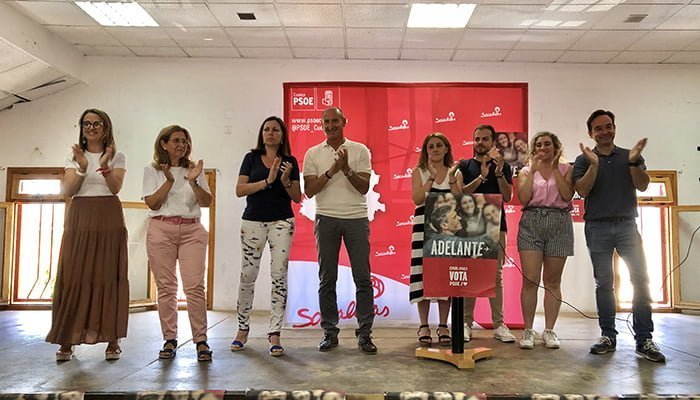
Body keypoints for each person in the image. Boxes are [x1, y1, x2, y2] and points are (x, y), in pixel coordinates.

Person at [573, 109, 665, 363]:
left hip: (627, 226)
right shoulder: (583, 160)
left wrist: (634, 162)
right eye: (598, 128)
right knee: (604, 283)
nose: (605, 132)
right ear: (590, 133)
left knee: (641, 280)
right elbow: (582, 190)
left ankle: (644, 339)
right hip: (597, 226)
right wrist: (594, 164)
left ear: (615, 128)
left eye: (608, 126)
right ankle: (608, 336)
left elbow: (642, 185)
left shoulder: (629, 156)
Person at [46, 109, 128, 362]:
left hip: (108, 215)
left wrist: (104, 166)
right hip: (81, 215)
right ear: (81, 128)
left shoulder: (117, 156)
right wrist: (82, 168)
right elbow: (68, 190)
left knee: (107, 274)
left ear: (105, 127)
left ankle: (112, 338)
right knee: (75, 274)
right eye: (86, 124)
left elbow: (115, 188)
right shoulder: (73, 156)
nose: (91, 128)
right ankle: (67, 339)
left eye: (96, 123)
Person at [303, 107, 377, 354]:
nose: (330, 125)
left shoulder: (360, 150)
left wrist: (345, 168)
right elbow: (309, 190)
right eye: (326, 122)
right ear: (322, 125)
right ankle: (329, 332)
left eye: (335, 121)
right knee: (327, 278)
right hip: (326, 219)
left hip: (356, 218)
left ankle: (365, 334)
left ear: (344, 121)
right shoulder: (313, 153)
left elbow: (364, 188)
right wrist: (331, 171)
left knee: (363, 278)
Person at [232, 116, 301, 357]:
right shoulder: (250, 158)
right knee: (248, 275)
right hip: (253, 222)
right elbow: (240, 190)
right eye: (266, 129)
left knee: (279, 276)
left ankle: (275, 332)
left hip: (282, 222)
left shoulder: (290, 161)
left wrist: (285, 180)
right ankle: (242, 329)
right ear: (262, 135)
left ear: (282, 136)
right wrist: (267, 181)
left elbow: (297, 197)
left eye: (275, 130)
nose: (270, 133)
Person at [143, 125, 213, 362]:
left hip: (192, 229)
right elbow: (152, 203)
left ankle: (201, 340)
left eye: (185, 141)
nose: (182, 145)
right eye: (176, 140)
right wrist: (169, 181)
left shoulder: (194, 170)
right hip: (161, 228)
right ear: (163, 144)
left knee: (194, 287)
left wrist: (193, 182)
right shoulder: (152, 170)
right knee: (166, 287)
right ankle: (170, 339)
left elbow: (206, 202)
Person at [454, 124, 516, 343]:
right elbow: (460, 194)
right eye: (477, 139)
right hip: (469, 226)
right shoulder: (464, 165)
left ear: (492, 142)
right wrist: (480, 177)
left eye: (484, 139)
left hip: (496, 225)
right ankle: (465, 324)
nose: (480, 143)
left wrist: (497, 173)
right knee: (468, 274)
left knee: (495, 276)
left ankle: (499, 325)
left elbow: (508, 196)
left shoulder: (503, 165)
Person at [516, 132, 574, 350]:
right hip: (532, 221)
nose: (543, 148)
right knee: (530, 280)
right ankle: (528, 330)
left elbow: (567, 195)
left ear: (556, 147)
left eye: (547, 144)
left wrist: (556, 167)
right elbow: (523, 198)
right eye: (538, 145)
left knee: (552, 281)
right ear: (533, 149)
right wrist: (533, 170)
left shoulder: (567, 169)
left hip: (560, 222)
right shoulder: (525, 171)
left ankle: (549, 330)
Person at [409, 133, 459, 347]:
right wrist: (430, 177)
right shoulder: (418, 172)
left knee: (444, 276)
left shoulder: (455, 172)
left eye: (439, 145)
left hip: (447, 233)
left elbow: (459, 199)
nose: (435, 149)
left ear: (446, 149)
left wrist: (453, 178)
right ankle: (423, 325)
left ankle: (443, 325)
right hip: (423, 229)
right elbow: (418, 199)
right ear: (426, 151)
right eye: (431, 146)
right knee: (422, 275)